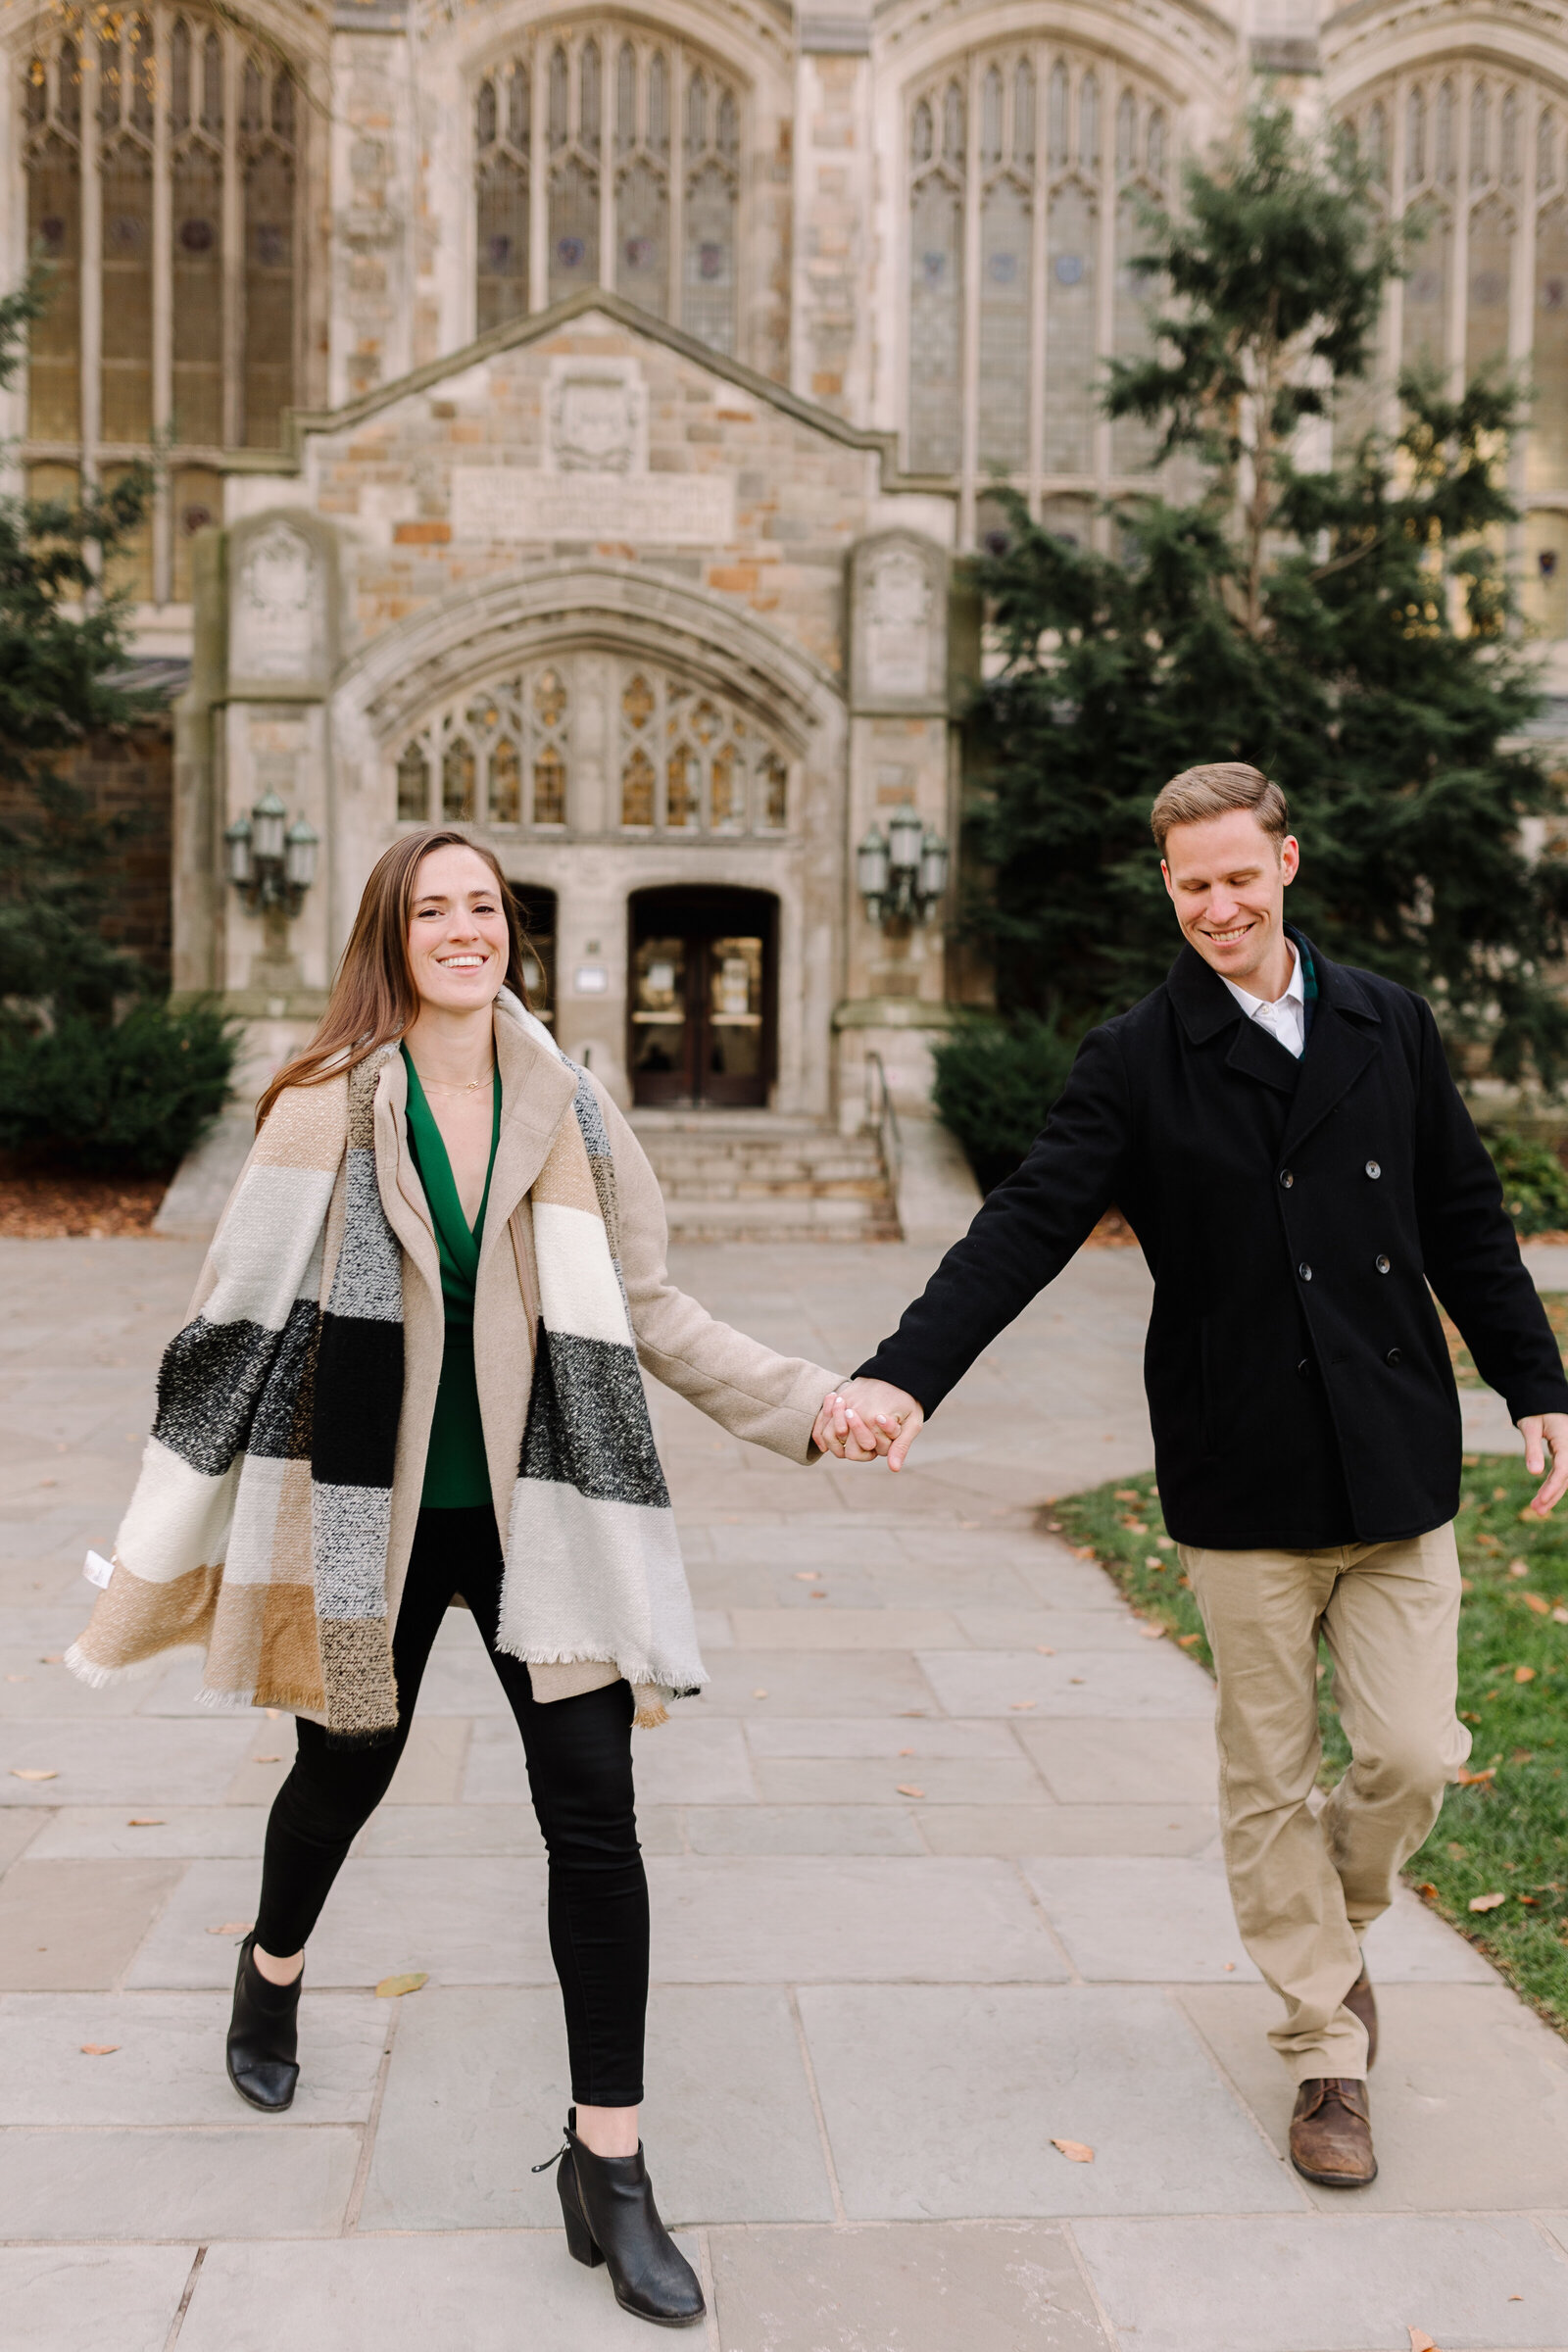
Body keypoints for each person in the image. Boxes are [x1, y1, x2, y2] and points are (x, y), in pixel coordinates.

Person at [68, 827, 843, 2328]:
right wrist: (186, 1500)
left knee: (594, 1820)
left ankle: (607, 2165)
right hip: (372, 1518)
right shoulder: (320, 1107)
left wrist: (806, 1403)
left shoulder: (575, 1110)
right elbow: (231, 1309)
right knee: (344, 1772)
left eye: (484, 907)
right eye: (436, 910)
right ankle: (273, 1961)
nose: (465, 929)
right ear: (392, 934)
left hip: (546, 1510)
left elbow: (654, 1305)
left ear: (511, 932)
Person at [815, 762, 1568, 2190]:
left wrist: (1539, 1384)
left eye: (1239, 876)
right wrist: (904, 1372)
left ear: (1287, 861)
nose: (1217, 905)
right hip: (1242, 1465)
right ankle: (1322, 2050)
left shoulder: (1386, 1024)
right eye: (1190, 885)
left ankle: (1325, 1929)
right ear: (1168, 888)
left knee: (1415, 1754)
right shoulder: (1136, 1058)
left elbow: (1466, 1213)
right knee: (1267, 1775)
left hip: (1397, 1453)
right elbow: (1027, 1223)